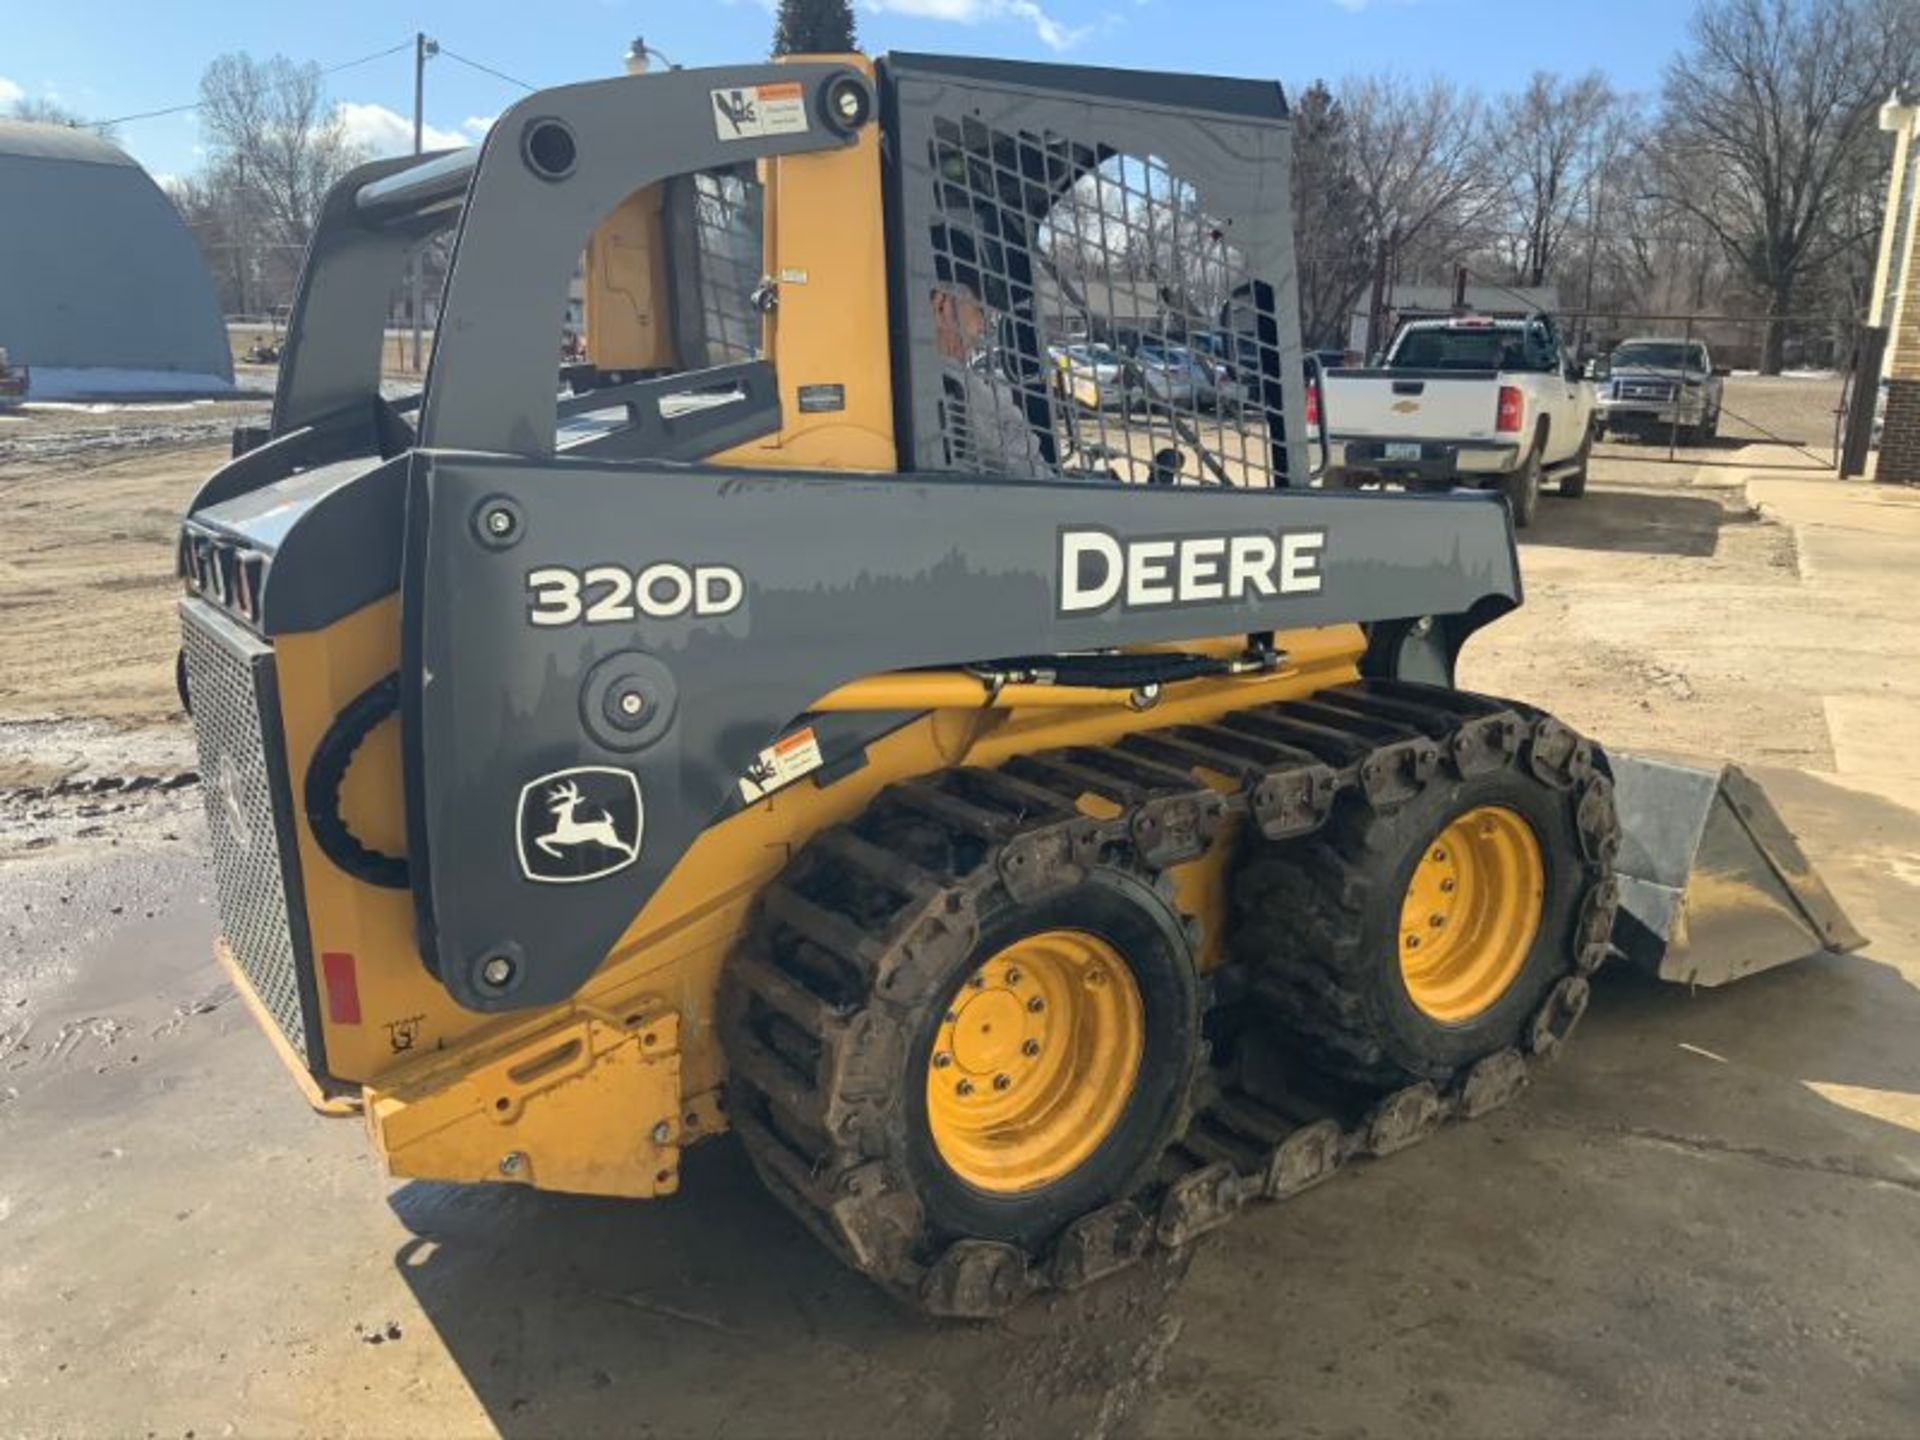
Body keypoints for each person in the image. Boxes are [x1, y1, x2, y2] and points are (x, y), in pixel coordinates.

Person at [930, 224, 1053, 480]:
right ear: (943, 306)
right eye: (979, 311)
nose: (983, 328)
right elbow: (1035, 476)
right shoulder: (955, 388)